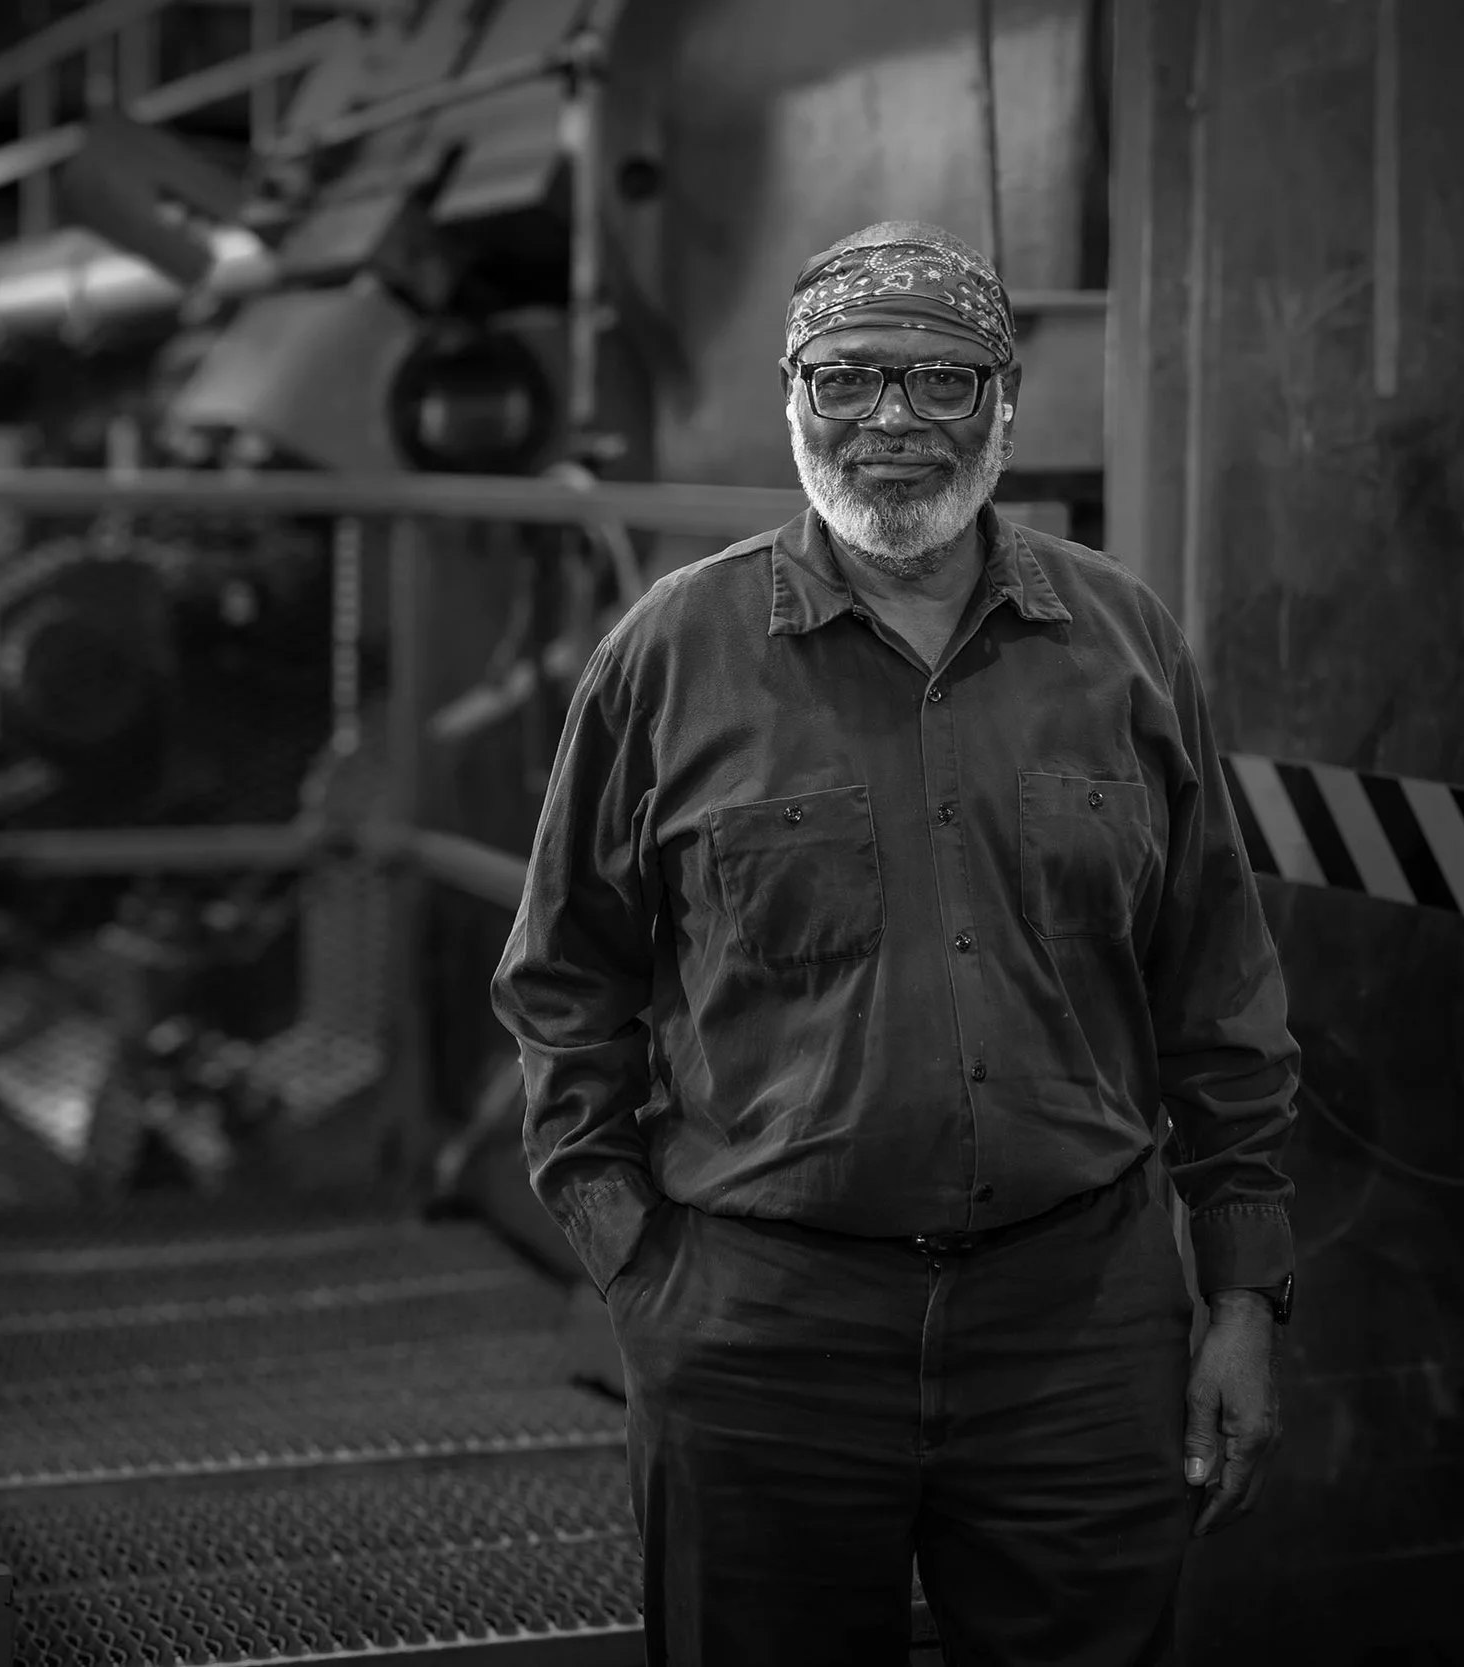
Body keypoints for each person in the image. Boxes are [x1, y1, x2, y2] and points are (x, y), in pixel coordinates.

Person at [490, 220, 1301, 1666]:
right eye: (849, 380)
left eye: (941, 381)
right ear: (792, 397)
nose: (892, 423)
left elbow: (1218, 989)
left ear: (1005, 407)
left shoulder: (1126, 645)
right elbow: (565, 983)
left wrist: (1240, 1290)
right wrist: (641, 1268)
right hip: (762, 1332)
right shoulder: (672, 654)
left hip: (1082, 1327)